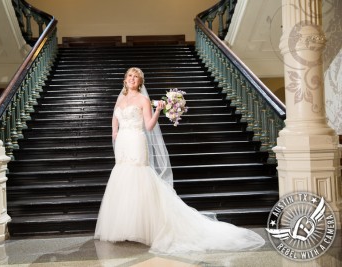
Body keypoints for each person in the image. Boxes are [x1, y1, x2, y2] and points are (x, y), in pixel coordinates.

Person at [94, 67, 265, 254]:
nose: (132, 79)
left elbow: (149, 126)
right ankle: (124, 227)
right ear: (125, 80)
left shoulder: (143, 100)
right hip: (123, 143)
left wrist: (158, 110)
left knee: (139, 178)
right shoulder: (121, 98)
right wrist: (115, 133)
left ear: (140, 82)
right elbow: (114, 118)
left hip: (136, 139)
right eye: (129, 76)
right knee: (122, 179)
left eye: (136, 77)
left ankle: (145, 228)